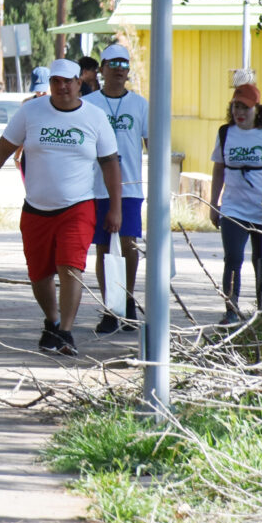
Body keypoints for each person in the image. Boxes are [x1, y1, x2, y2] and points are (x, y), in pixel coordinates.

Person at [0, 59, 120, 356]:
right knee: (39, 274)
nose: (62, 87)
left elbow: (110, 164)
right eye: (56, 81)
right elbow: (3, 149)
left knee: (70, 267)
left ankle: (66, 331)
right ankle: (51, 322)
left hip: (77, 206)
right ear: (50, 83)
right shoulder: (30, 112)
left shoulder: (95, 117)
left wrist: (115, 208)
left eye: (69, 81)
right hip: (36, 207)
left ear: (80, 83)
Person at [209, 82, 262, 325]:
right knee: (232, 258)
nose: (239, 112)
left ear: (257, 109)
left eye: (244, 107)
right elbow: (218, 169)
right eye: (235, 106)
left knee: (261, 260)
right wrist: (214, 204)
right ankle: (231, 309)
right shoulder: (226, 133)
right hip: (233, 207)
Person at [83, 44, 150, 334]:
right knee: (104, 248)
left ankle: (128, 299)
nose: (120, 68)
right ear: (103, 68)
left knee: (129, 245)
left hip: (130, 184)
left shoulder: (140, 104)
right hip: (96, 187)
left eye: (124, 63)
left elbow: (152, 142)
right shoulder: (90, 103)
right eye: (113, 63)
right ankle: (111, 307)